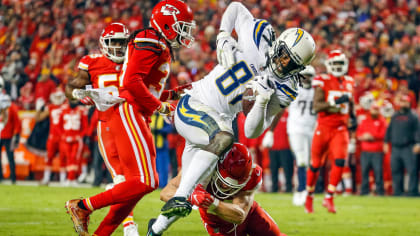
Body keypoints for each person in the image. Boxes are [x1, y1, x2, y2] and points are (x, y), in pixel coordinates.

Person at [148, 2, 315, 235]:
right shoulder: (259, 37)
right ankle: (182, 197)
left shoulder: (286, 87)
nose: (284, 63)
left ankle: (154, 230)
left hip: (218, 123)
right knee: (220, 143)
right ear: (279, 44)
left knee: (193, 184)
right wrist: (223, 35)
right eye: (285, 56)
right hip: (196, 104)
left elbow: (251, 131)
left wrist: (263, 101)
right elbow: (236, 7)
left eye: (292, 64)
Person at [65, 1, 196, 236]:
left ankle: (100, 233)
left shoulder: (155, 41)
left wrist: (170, 95)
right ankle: (83, 206)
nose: (185, 32)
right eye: (181, 26)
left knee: (137, 185)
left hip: (134, 112)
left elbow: (143, 86)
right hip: (130, 112)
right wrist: (161, 108)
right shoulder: (151, 38)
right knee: (146, 181)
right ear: (167, 24)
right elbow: (131, 83)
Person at [65, 22, 140, 236]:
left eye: (121, 42)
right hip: (108, 126)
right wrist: (79, 94)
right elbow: (72, 86)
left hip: (134, 125)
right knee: (123, 179)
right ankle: (128, 226)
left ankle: (98, 207)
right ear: (104, 43)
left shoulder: (135, 60)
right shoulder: (92, 62)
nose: (117, 47)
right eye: (113, 42)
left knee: (138, 181)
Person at [155, 143, 284, 236]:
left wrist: (212, 202)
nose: (227, 187)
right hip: (216, 222)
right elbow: (165, 193)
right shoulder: (202, 167)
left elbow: (240, 215)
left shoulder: (253, 174)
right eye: (224, 182)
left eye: (234, 185)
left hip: (248, 214)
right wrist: (191, 196)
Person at [304, 50, 355, 214]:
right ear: (329, 65)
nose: (338, 67)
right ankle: (309, 196)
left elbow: (350, 104)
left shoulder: (349, 81)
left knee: (340, 161)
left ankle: (329, 197)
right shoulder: (322, 80)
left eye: (341, 64)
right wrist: (332, 101)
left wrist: (353, 120)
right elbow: (316, 106)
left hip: (341, 128)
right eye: (336, 64)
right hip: (324, 127)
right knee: (315, 164)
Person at [286, 65, 317, 205]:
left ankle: (308, 190)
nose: (307, 78)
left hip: (311, 129)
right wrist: (272, 131)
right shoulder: (294, 89)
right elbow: (281, 107)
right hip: (296, 128)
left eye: (309, 75)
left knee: (310, 161)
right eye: (305, 75)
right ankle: (301, 189)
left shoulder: (317, 91)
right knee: (301, 160)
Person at [384, 95, 420, 196]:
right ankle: (398, 192)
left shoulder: (413, 116)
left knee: (412, 170)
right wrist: (386, 141)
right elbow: (389, 129)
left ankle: (413, 192)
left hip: (409, 147)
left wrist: (418, 143)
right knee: (396, 170)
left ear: (409, 103)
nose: (403, 104)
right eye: (402, 102)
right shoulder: (395, 115)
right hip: (396, 147)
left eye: (406, 102)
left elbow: (418, 130)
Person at [37, 88, 67, 185]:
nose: (58, 98)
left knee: (63, 158)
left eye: (59, 96)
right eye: (56, 96)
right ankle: (46, 179)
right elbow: (38, 118)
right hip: (52, 136)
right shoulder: (50, 107)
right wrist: (38, 109)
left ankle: (63, 180)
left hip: (63, 136)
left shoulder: (66, 106)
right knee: (49, 158)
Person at [357, 101, 387, 195]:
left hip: (377, 150)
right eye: (373, 109)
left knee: (378, 172)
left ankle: (380, 191)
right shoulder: (365, 120)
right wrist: (363, 137)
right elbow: (359, 133)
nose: (375, 111)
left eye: (376, 110)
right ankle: (364, 191)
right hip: (365, 150)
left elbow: (384, 134)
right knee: (364, 171)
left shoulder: (382, 121)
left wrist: (372, 136)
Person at [0, 93, 21, 184]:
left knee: (10, 158)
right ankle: (1, 177)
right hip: (2, 135)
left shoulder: (12, 108)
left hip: (9, 136)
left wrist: (16, 135)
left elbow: (17, 123)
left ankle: (13, 178)